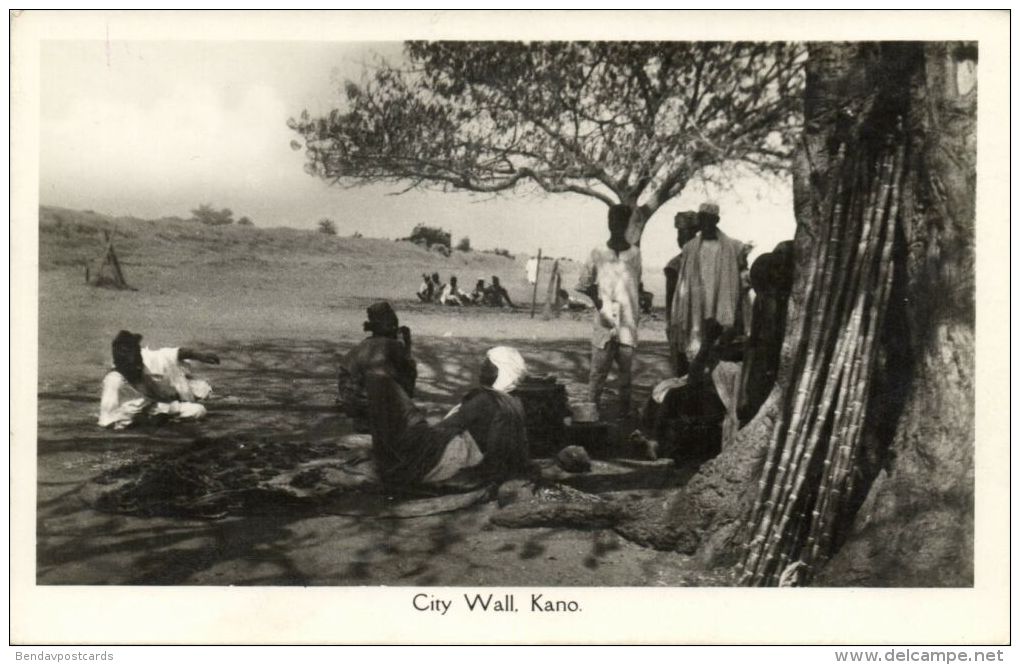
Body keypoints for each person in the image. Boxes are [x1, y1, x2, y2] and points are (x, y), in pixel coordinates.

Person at [358, 345, 532, 488]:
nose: (482, 369)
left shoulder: (487, 399)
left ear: (502, 372)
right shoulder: (510, 400)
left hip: (436, 457)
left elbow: (446, 428)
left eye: (488, 366)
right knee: (391, 401)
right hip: (445, 452)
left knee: (382, 385)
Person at [668, 202, 748, 448]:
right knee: (694, 367)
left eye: (710, 218)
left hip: (722, 316)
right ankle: (692, 422)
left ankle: (711, 424)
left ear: (717, 220)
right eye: (702, 218)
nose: (706, 223)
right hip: (696, 314)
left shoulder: (733, 248)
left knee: (716, 369)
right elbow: (682, 288)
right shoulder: (691, 248)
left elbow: (744, 287)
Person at [577, 204, 642, 419]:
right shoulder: (597, 252)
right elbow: (585, 283)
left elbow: (636, 284)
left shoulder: (634, 254)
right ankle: (590, 416)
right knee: (597, 374)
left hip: (627, 324)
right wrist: (601, 305)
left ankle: (624, 420)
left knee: (625, 377)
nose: (614, 225)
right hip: (604, 324)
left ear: (625, 224)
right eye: (611, 220)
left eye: (619, 221)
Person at [98, 330, 220, 429]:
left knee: (202, 394)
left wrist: (198, 355)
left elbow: (173, 353)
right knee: (198, 410)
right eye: (133, 357)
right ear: (121, 362)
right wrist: (142, 419)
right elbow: (106, 420)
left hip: (162, 396)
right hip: (143, 412)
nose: (137, 360)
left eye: (137, 353)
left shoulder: (144, 358)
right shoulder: (114, 380)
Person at [337, 301, 417, 432]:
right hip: (377, 408)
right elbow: (409, 385)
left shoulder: (363, 345)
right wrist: (407, 345)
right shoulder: (394, 347)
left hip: (352, 403)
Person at [664, 211, 700, 376]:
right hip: (681, 324)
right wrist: (669, 323)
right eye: (678, 233)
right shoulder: (675, 264)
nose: (679, 238)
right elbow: (670, 298)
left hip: (699, 324)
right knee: (681, 368)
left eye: (683, 233)